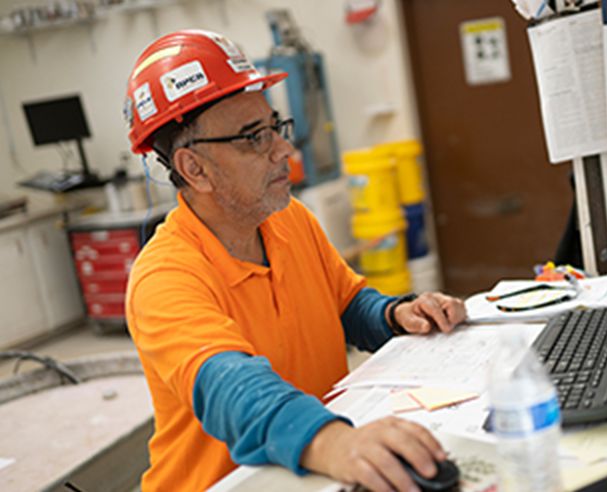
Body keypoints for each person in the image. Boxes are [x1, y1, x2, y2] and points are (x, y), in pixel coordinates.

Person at [123, 30, 467, 491]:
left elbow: (346, 304)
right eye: (253, 138)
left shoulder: (289, 219)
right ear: (194, 169)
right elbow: (231, 387)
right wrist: (334, 443)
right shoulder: (164, 277)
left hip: (305, 472)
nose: (285, 150)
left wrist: (396, 314)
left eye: (274, 127)